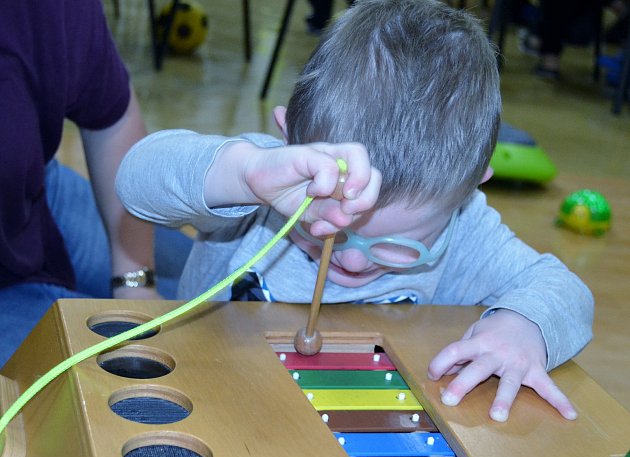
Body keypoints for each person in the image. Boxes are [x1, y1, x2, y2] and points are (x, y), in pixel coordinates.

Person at [116, 0, 593, 422]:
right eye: (325, 225)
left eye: (395, 243)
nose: (353, 261)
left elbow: (565, 291)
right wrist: (241, 173)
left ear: (470, 188)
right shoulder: (268, 181)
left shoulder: (465, 227)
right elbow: (136, 178)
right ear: (289, 138)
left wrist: (520, 328)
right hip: (200, 402)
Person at [0, 0, 191, 367]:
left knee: (225, 285)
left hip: (30, 192)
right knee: (161, 364)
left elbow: (111, 115)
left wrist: (136, 281)